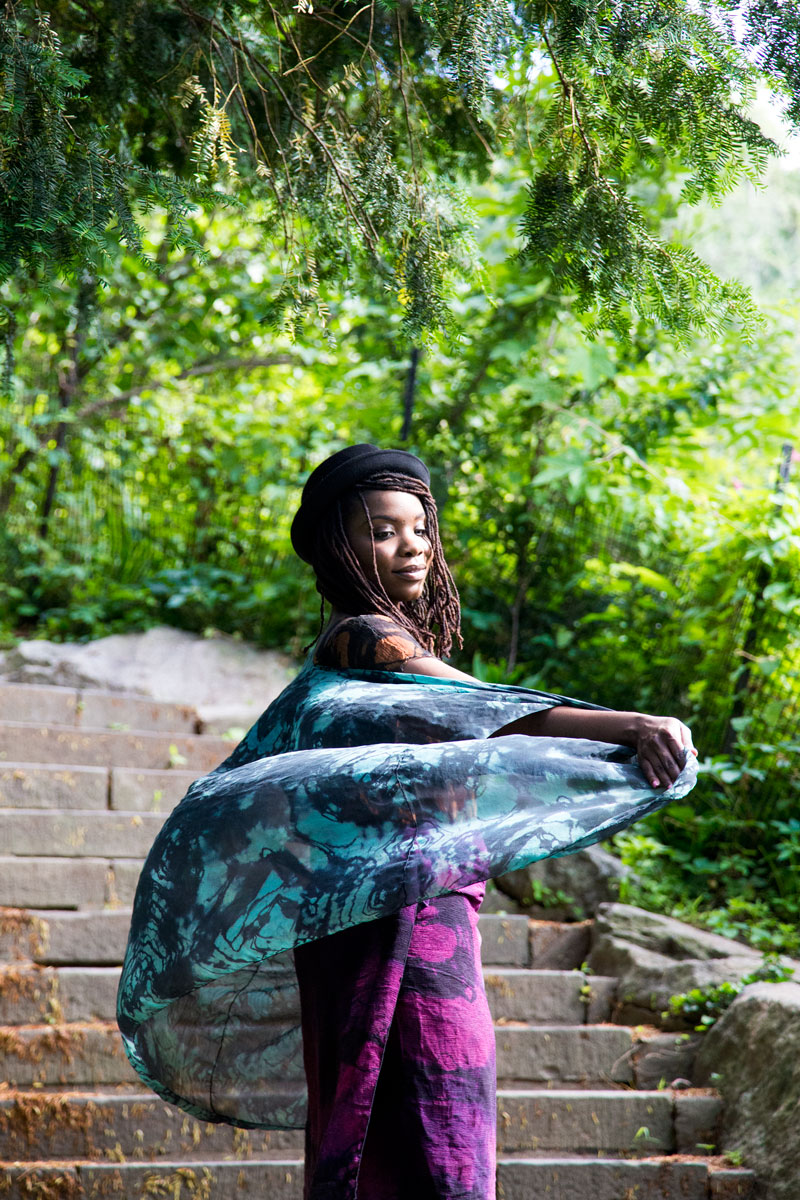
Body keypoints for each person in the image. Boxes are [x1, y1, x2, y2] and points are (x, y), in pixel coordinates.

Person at [117, 444, 697, 1200]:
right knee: (427, 1118)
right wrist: (629, 725)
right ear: (339, 548)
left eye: (420, 528)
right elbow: (489, 709)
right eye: (384, 531)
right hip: (387, 925)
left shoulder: (375, 660)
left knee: (409, 1124)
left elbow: (471, 721)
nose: (412, 546)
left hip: (397, 916)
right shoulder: (363, 638)